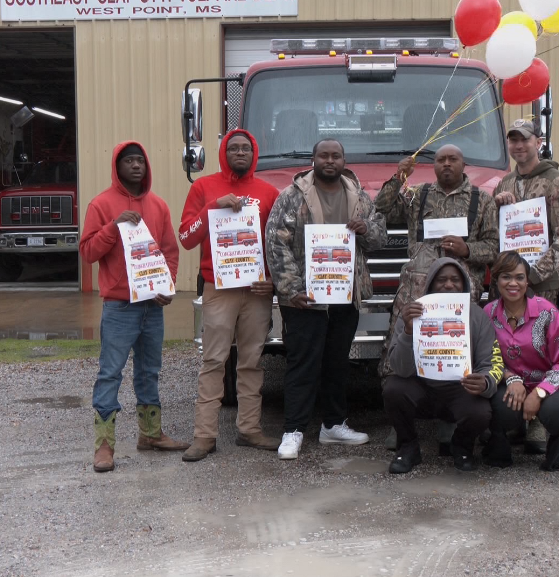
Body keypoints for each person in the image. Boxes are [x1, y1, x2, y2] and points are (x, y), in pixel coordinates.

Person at [265, 138, 387, 460]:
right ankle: (293, 430)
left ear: (344, 160)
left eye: (336, 156)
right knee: (303, 363)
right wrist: (291, 290)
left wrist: (365, 230)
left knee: (337, 362)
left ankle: (333, 425)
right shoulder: (292, 197)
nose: (330, 160)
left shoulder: (359, 196)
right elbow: (276, 244)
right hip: (306, 298)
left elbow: (380, 237)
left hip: (347, 295)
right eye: (324, 155)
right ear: (313, 159)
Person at [375, 144, 499, 452]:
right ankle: (399, 423)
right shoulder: (418, 195)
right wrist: (399, 176)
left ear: (463, 163)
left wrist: (467, 249)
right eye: (440, 160)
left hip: (457, 296)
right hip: (414, 292)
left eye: (452, 159)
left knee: (453, 353)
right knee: (396, 354)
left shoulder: (481, 200)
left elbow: (495, 247)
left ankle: (450, 420)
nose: (446, 164)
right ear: (433, 166)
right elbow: (383, 206)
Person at [80, 141, 188, 473]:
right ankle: (104, 445)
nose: (136, 165)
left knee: (148, 371)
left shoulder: (158, 206)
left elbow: (170, 250)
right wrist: (112, 227)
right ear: (117, 166)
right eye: (129, 161)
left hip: (151, 306)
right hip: (119, 307)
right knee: (110, 373)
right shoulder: (101, 204)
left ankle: (150, 435)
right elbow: (88, 252)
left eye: (141, 160)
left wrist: (167, 285)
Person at [178, 129, 280, 462]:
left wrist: (275, 281)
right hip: (218, 289)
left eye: (245, 148)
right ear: (223, 152)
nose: (239, 152)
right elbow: (186, 237)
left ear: (254, 153)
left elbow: (280, 243)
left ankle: (249, 429)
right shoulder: (203, 188)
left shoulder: (268, 193)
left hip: (256, 291)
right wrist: (212, 208)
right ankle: (204, 435)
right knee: (214, 360)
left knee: (252, 361)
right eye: (233, 147)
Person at [493, 118, 559, 454]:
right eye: (513, 141)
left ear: (537, 142)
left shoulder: (554, 180)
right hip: (511, 284)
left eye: (524, 140)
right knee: (513, 348)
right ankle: (515, 419)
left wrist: (535, 274)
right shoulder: (506, 181)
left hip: (541, 283)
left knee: (542, 350)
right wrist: (499, 206)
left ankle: (541, 423)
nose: (519, 146)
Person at [383, 257, 504, 474]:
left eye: (455, 280)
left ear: (464, 284)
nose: (449, 284)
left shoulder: (477, 316)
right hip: (421, 387)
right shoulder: (413, 312)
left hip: (460, 389)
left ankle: (462, 446)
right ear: (430, 284)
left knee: (481, 412)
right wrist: (409, 331)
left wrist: (485, 382)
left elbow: (489, 362)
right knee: (393, 388)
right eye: (441, 280)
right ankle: (408, 447)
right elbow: (399, 368)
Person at [482, 252, 559, 471]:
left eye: (519, 277)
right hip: (511, 383)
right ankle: (498, 449)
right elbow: (485, 358)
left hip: (552, 385)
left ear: (527, 281)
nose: (513, 283)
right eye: (506, 277)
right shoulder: (487, 314)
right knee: (496, 405)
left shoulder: (548, 312)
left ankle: (558, 450)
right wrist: (511, 378)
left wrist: (539, 393)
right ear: (496, 281)